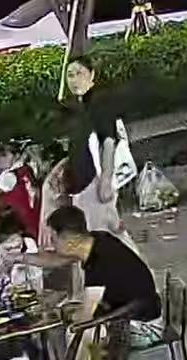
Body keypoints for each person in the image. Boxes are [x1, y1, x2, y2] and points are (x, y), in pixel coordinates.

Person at [45, 205, 162, 360]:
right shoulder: (98, 239)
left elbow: (85, 317)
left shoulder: (99, 266)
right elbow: (56, 260)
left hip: (144, 327)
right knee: (73, 317)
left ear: (70, 242)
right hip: (136, 311)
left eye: (53, 239)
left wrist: (64, 315)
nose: (51, 245)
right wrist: (21, 257)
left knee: (78, 331)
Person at [56, 54, 124, 234]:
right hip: (82, 183)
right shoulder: (79, 106)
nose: (74, 80)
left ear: (92, 74)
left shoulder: (99, 102)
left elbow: (108, 140)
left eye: (79, 73)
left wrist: (106, 180)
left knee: (102, 234)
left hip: (94, 181)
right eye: (70, 75)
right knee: (103, 233)